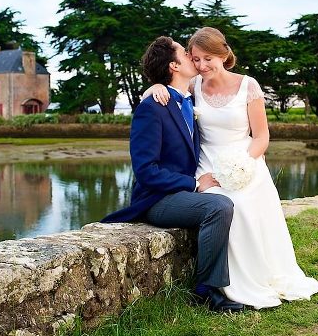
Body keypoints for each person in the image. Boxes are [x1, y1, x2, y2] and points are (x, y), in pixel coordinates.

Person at [146, 27, 318, 309]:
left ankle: (251, 279)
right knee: (221, 205)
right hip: (205, 167)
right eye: (196, 59)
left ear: (223, 54)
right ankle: (219, 287)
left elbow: (262, 136)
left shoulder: (248, 85)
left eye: (208, 59)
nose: (202, 66)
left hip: (245, 161)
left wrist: (242, 163)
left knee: (241, 203)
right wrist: (152, 87)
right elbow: (170, 89)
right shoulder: (194, 87)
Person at [101, 36, 245, 313]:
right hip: (158, 199)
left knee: (233, 200)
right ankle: (206, 290)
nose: (192, 55)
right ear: (173, 66)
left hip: (181, 194)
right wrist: (192, 183)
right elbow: (145, 171)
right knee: (219, 206)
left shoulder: (188, 100)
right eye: (184, 52)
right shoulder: (151, 109)